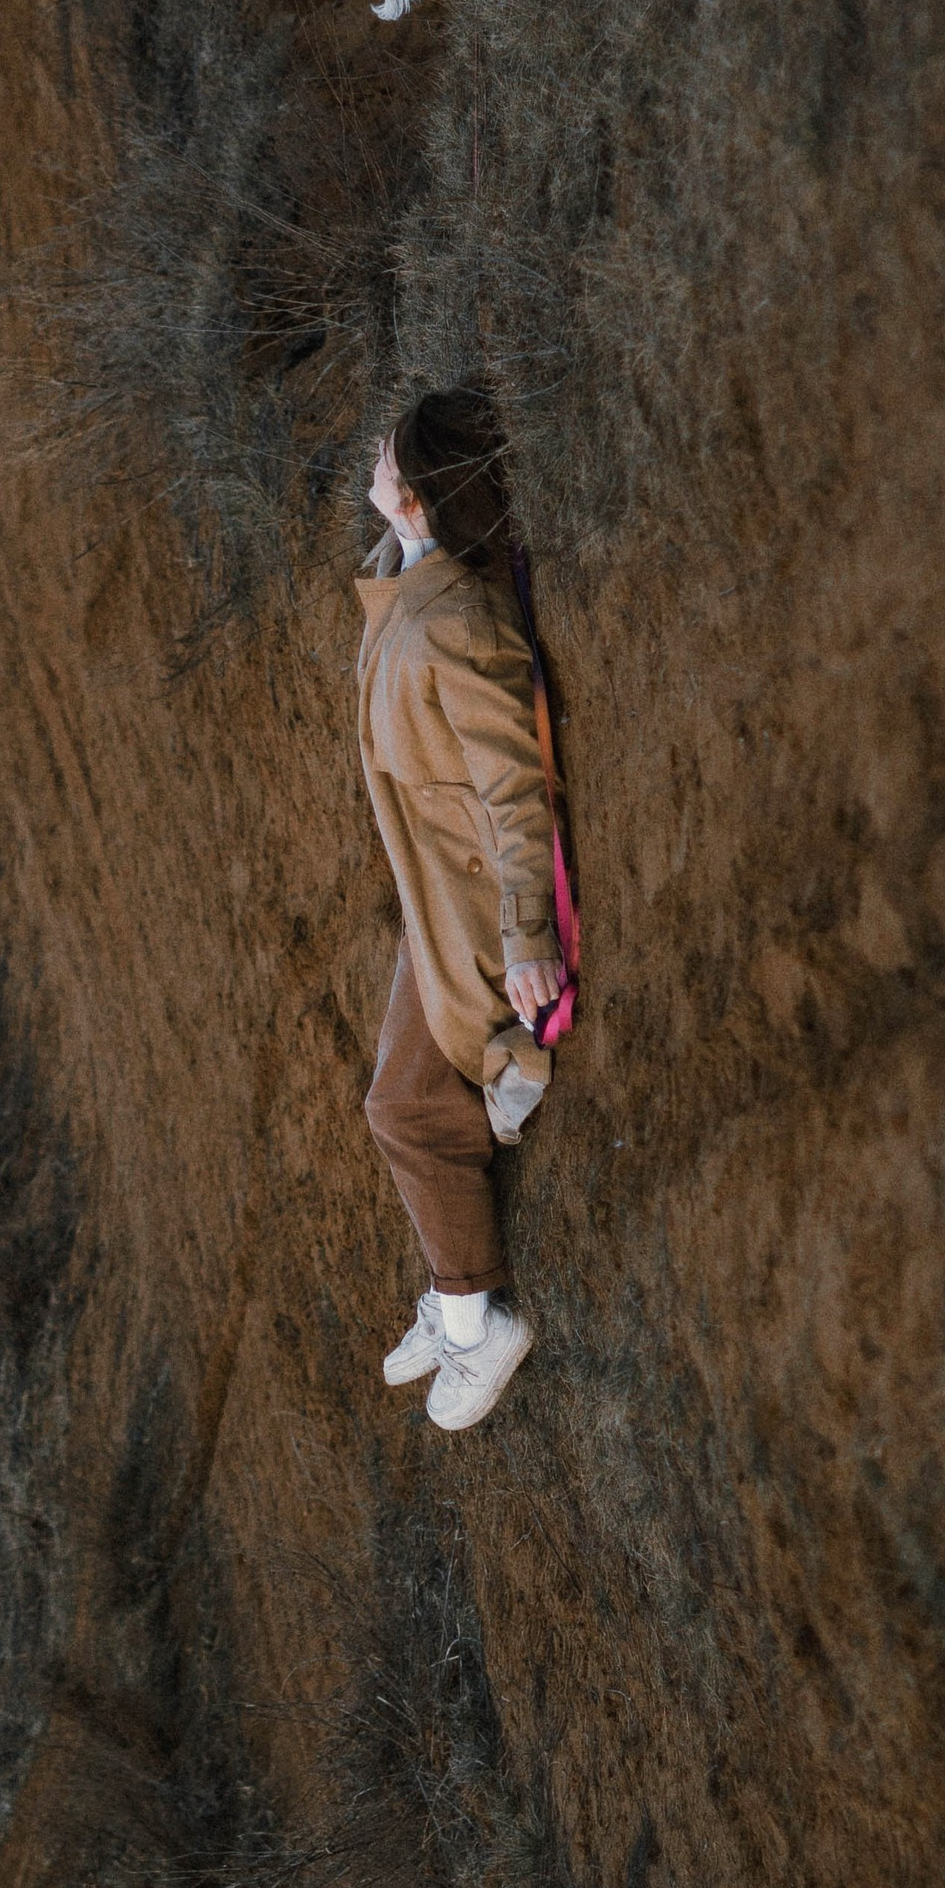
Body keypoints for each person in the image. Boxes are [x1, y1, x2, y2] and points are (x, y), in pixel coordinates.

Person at [356, 386, 564, 1430]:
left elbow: (513, 782)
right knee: (401, 1091)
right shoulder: (416, 586)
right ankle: (454, 1298)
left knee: (402, 1107)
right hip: (427, 886)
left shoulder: (459, 623)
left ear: (426, 500)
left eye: (391, 457)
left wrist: (526, 932)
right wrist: (401, 538)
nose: (374, 457)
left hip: (467, 898)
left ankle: (477, 1326)